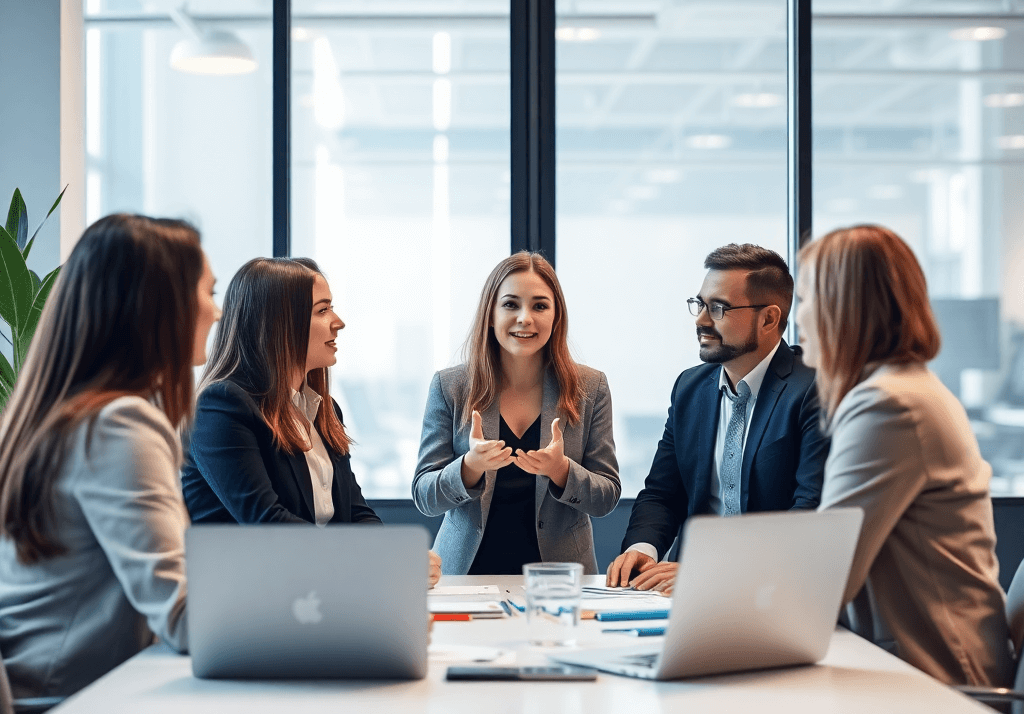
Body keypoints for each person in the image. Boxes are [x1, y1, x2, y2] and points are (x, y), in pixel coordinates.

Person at [0, 214, 217, 714]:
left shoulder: (61, 419)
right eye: (207, 291)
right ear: (160, 307)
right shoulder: (118, 426)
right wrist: (333, 629)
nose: (215, 309)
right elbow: (184, 617)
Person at [798, 225, 1013, 688]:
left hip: (942, 678)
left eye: (805, 298)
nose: (798, 318)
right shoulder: (907, 390)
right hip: (923, 661)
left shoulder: (889, 404)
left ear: (842, 306)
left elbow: (828, 575)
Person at [182, 258, 440, 587]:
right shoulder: (222, 405)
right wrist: (380, 561)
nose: (338, 322)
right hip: (247, 598)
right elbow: (268, 523)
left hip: (312, 593)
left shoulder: (323, 409)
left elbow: (356, 512)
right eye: (323, 310)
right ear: (279, 323)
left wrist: (393, 553)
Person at [607, 243, 829, 594]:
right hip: (681, 590)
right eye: (699, 305)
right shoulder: (690, 388)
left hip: (773, 590)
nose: (701, 320)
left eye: (718, 308)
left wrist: (710, 572)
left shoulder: (814, 390)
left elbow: (809, 514)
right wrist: (642, 549)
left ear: (769, 319)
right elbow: (663, 494)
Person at [413, 251, 620, 576]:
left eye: (540, 306)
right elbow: (424, 496)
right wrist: (469, 466)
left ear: (556, 316)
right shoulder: (450, 386)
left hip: (560, 580)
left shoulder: (590, 388)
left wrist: (562, 470)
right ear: (490, 314)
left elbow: (606, 497)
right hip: (465, 577)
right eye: (511, 304)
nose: (525, 318)